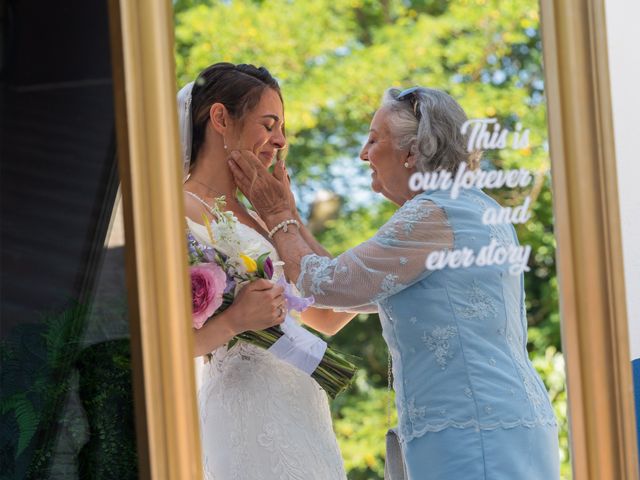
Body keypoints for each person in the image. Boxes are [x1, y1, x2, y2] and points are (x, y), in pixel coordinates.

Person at [228, 86, 560, 479]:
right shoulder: (475, 206)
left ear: (412, 152)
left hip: (470, 433)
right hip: (501, 423)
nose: (363, 155)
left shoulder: (433, 213)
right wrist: (291, 219)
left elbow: (327, 286)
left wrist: (276, 212)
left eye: (373, 140)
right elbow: (342, 290)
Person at [179, 62, 348, 480]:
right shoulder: (174, 212)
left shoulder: (262, 217)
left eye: (282, 127)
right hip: (244, 414)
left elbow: (330, 314)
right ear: (220, 118)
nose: (280, 141)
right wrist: (236, 320)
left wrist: (287, 216)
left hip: (303, 412)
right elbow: (160, 347)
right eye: (269, 124)